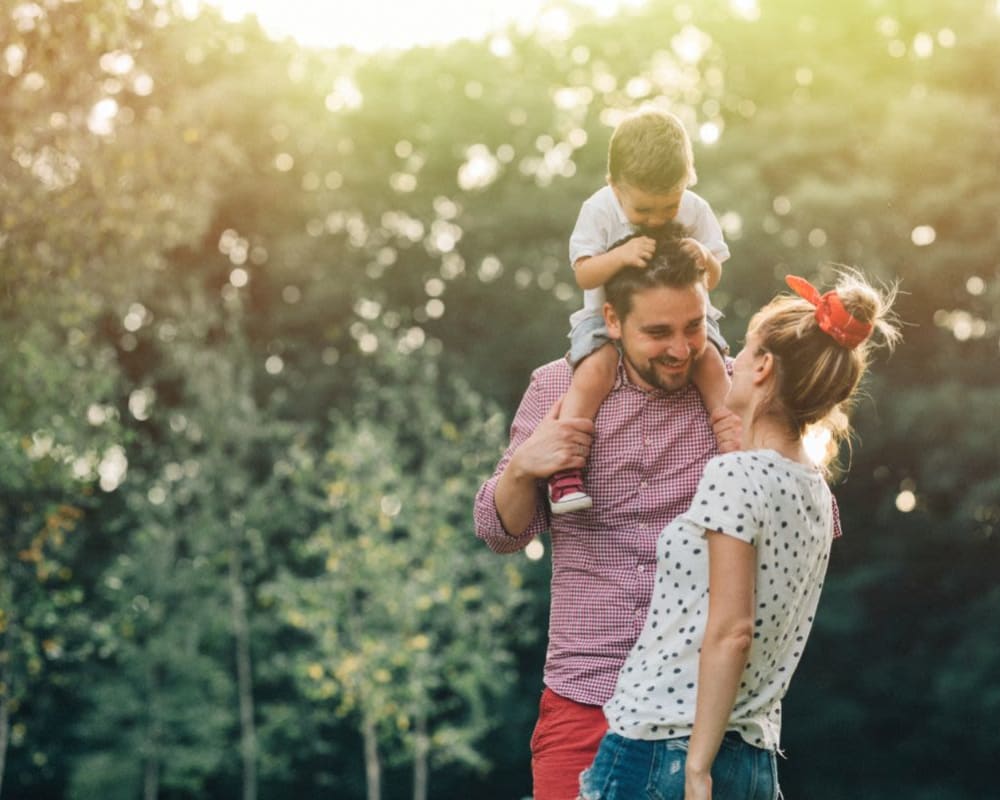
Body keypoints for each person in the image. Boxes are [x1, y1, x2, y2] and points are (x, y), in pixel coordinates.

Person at [578, 271, 900, 800]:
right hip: (754, 763)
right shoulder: (817, 493)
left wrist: (697, 769)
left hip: (666, 750)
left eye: (746, 350)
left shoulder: (736, 475)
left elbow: (733, 631)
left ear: (764, 367)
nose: (730, 362)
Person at [473, 230, 742, 800]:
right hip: (584, 695)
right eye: (658, 332)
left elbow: (801, 525)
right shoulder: (557, 387)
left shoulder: (736, 393)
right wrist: (524, 469)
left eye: (694, 327)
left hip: (698, 707)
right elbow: (498, 532)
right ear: (613, 320)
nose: (680, 348)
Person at [548, 108, 731, 515]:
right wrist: (621, 255)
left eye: (667, 207)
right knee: (592, 374)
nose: (655, 220)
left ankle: (736, 447)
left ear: (688, 181)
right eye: (642, 211)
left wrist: (703, 256)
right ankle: (565, 472)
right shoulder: (599, 210)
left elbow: (713, 277)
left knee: (713, 365)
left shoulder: (696, 209)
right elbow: (584, 274)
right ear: (614, 185)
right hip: (603, 320)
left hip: (686, 314)